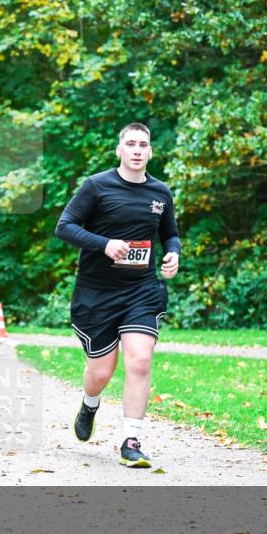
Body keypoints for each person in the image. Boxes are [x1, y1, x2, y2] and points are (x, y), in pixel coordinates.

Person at [55, 122, 181, 467]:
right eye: (131, 144)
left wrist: (174, 254)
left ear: (151, 151)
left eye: (143, 144)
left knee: (139, 361)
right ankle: (90, 402)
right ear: (119, 150)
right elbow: (64, 227)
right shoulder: (97, 186)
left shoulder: (161, 193)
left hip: (141, 290)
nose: (137, 150)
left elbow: (170, 234)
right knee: (102, 372)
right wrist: (105, 244)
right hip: (97, 293)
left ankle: (131, 439)